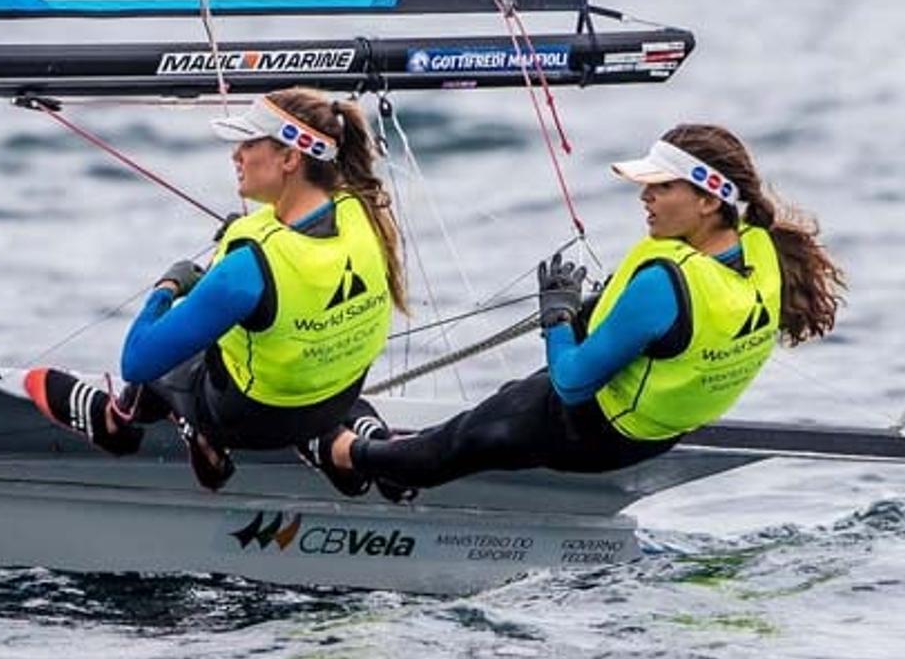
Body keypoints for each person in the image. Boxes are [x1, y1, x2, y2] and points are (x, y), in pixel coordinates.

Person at [326, 123, 844, 494]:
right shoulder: (763, 250)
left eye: (661, 187)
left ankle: (358, 455)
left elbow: (570, 382)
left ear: (710, 200)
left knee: (458, 445)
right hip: (653, 437)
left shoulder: (666, 281)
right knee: (508, 400)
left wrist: (556, 316)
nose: (645, 198)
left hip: (590, 433)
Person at [20, 89, 407, 490]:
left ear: (291, 158)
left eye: (249, 143)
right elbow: (299, 266)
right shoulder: (366, 210)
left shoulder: (249, 266)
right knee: (286, 345)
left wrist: (168, 286)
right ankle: (343, 447)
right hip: (334, 400)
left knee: (164, 363)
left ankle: (117, 423)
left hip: (251, 420)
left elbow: (137, 359)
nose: (235, 155)